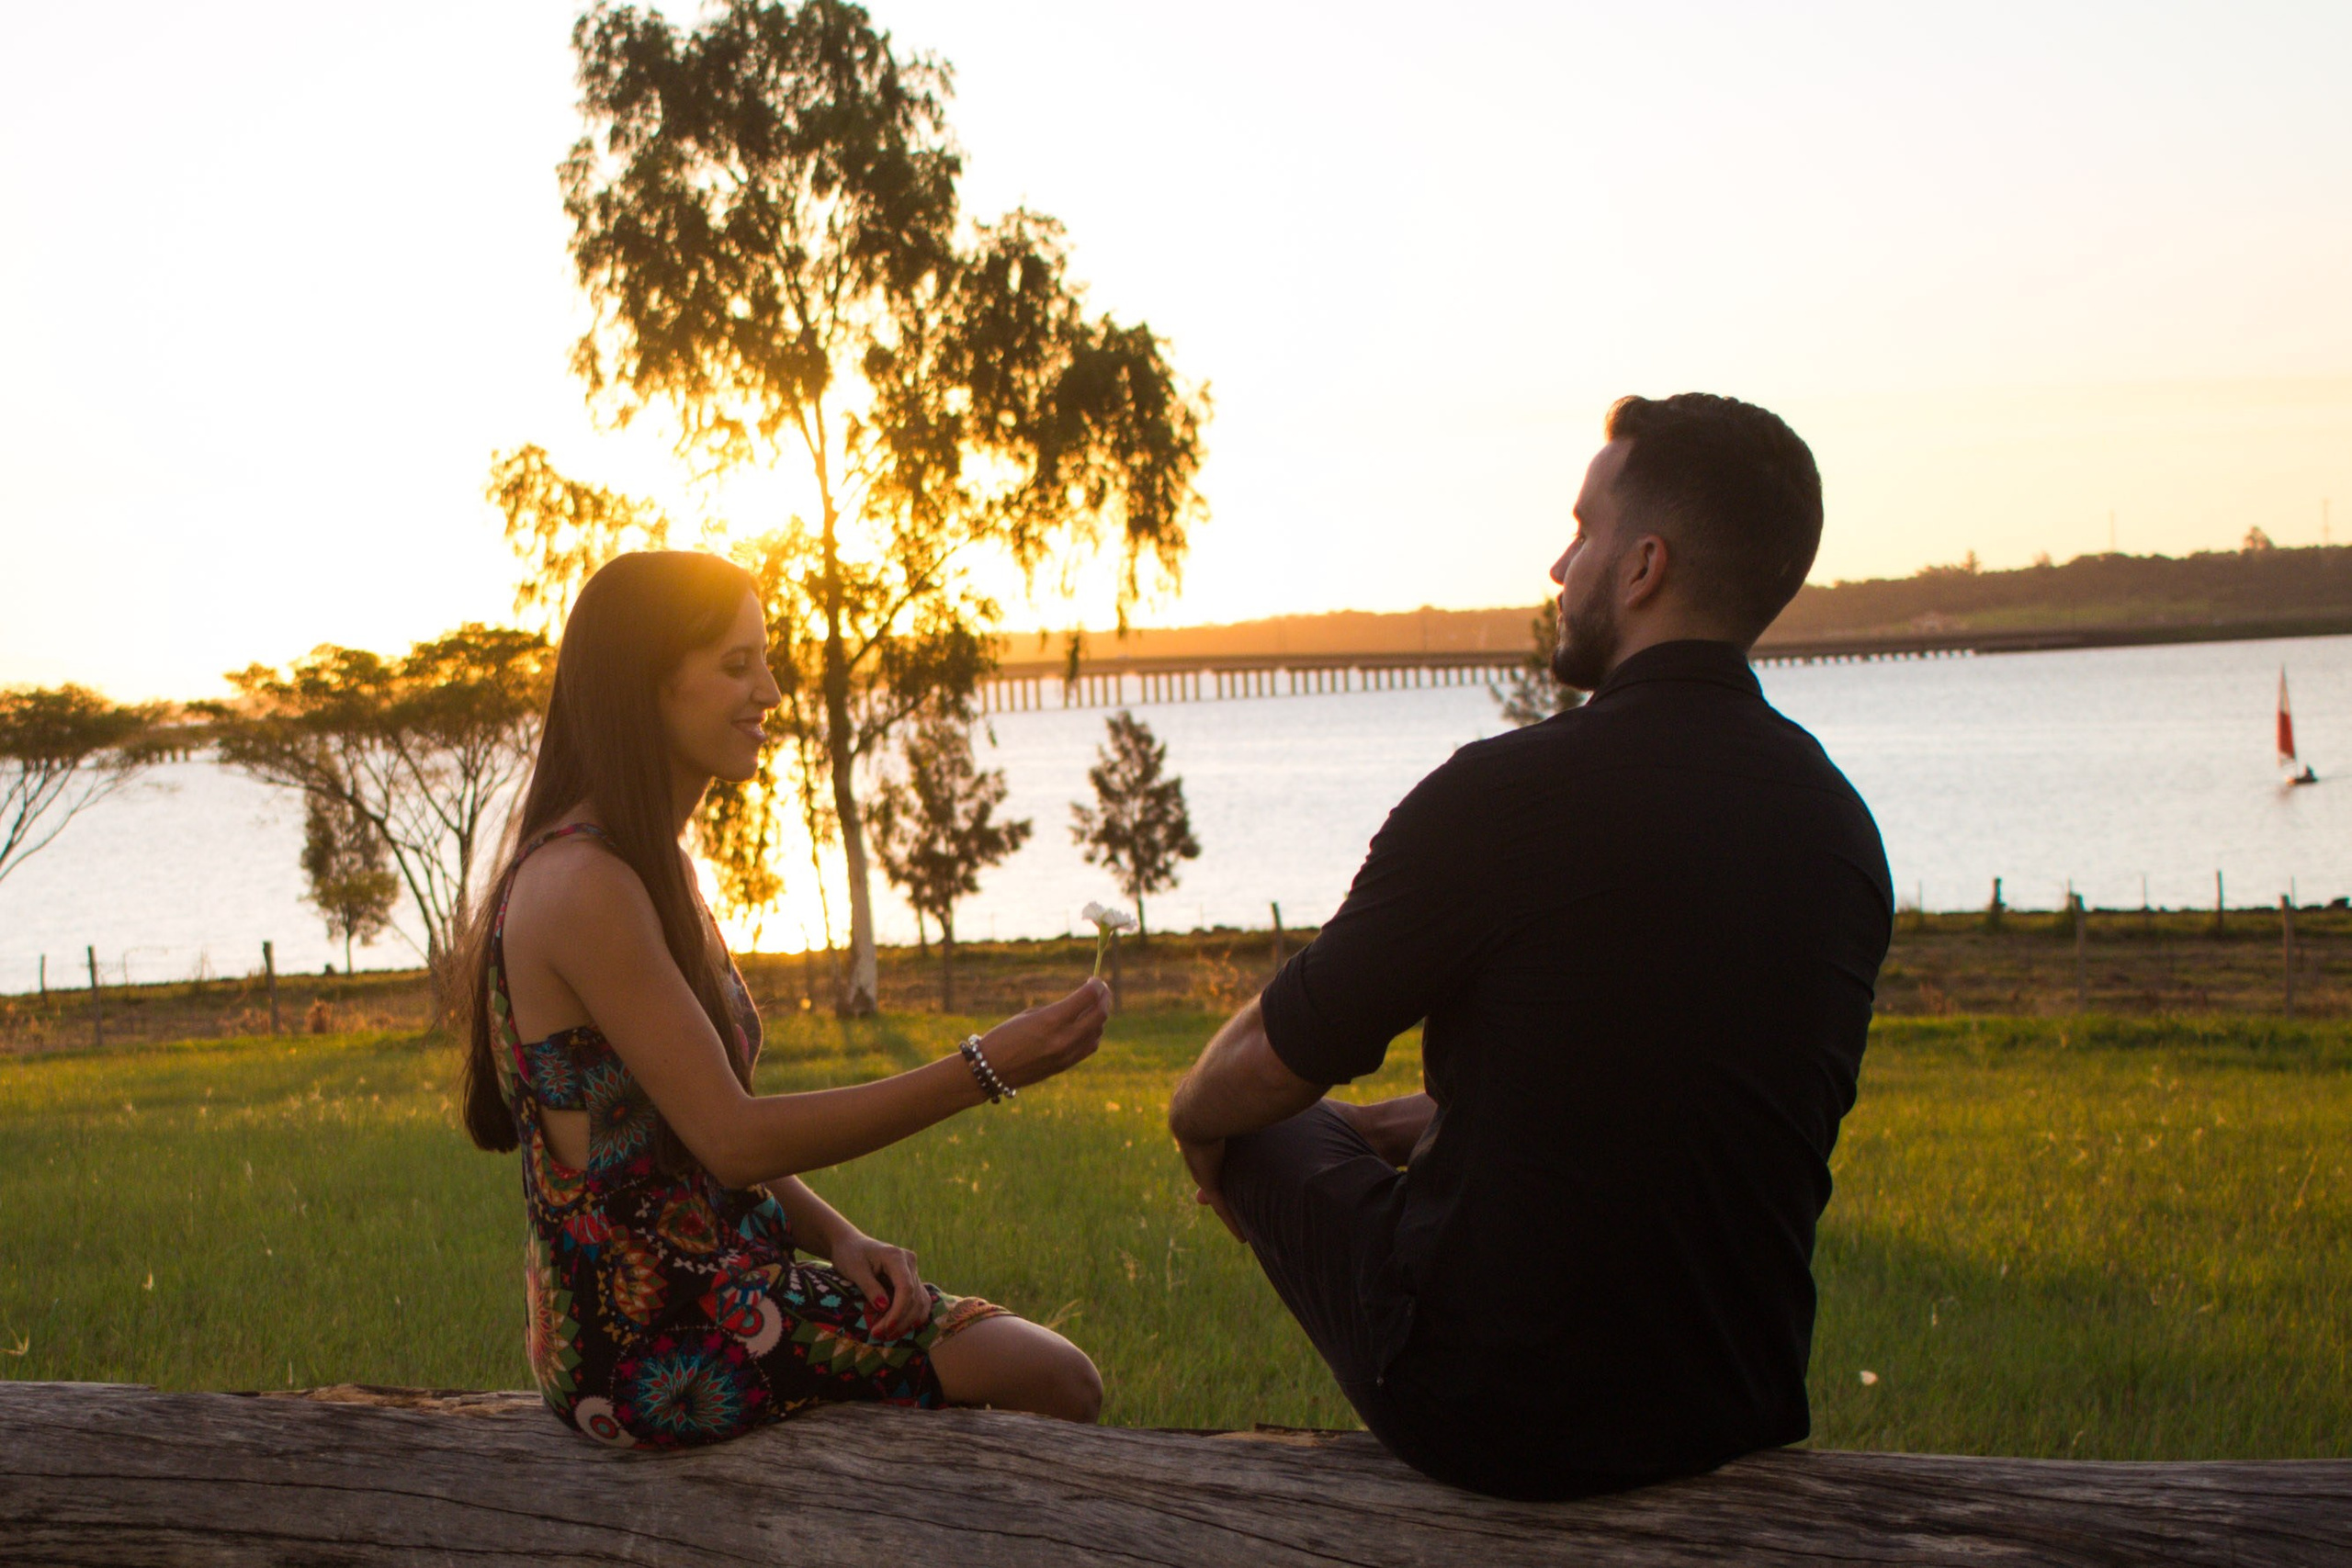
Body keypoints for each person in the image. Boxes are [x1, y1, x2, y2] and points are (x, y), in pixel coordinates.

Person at [1167, 394, 1893, 1500]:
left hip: (1494, 1409)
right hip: (1733, 1398)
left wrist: (1197, 1128)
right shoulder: (1841, 829)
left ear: (1643, 565)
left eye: (1582, 531)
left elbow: (1266, 1063)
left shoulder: (1501, 798)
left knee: (1259, 1127)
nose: (1560, 566)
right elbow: (1667, 1098)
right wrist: (1396, 1125)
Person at [459, 549, 1109, 1450]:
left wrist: (839, 1236)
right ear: (644, 685)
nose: (769, 689)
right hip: (647, 1339)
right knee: (1053, 1377)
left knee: (1027, 1372)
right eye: (736, 665)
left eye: (766, 659)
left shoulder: (653, 867)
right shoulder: (582, 883)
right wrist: (984, 1068)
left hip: (719, 1277)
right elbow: (730, 1138)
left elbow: (695, 1126)